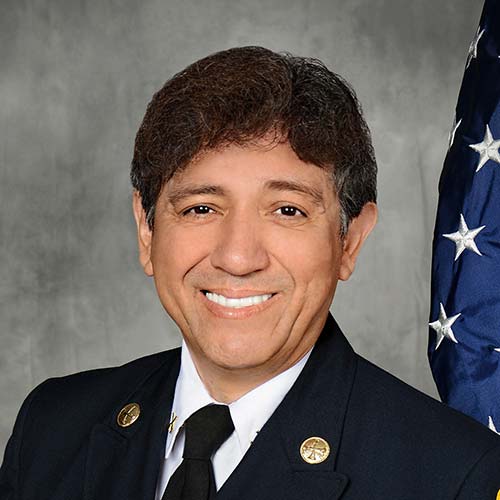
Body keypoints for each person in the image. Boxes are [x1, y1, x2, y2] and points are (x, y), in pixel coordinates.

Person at [1, 46, 499, 500]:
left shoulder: (454, 476)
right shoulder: (51, 429)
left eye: (287, 210)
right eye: (200, 209)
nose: (238, 258)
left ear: (350, 240)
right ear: (146, 231)